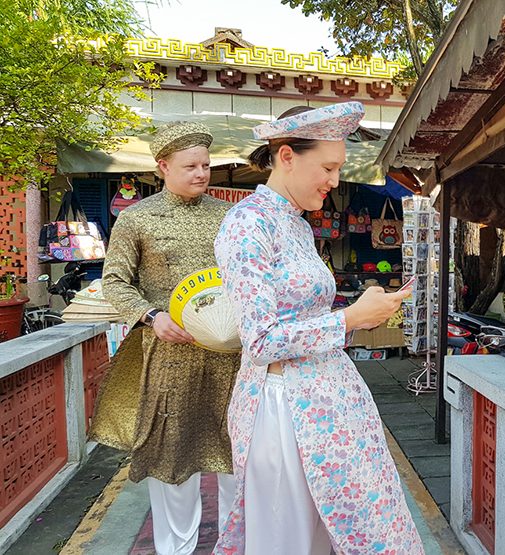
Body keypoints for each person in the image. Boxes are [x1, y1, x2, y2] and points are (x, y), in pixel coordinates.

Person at [213, 102, 424, 554]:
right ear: (286, 156)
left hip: (327, 400)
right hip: (284, 405)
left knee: (339, 535)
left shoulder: (298, 226)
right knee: (288, 540)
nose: (334, 180)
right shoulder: (247, 224)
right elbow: (262, 339)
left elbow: (307, 318)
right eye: (327, 167)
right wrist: (349, 318)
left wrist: (362, 312)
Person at [95, 122, 239, 555]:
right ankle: (176, 548)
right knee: (173, 454)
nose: (201, 173)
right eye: (190, 166)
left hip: (230, 353)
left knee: (239, 451)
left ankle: (238, 542)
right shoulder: (136, 219)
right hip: (170, 354)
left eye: (206, 165)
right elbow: (115, 282)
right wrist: (151, 315)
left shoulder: (229, 216)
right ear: (162, 166)